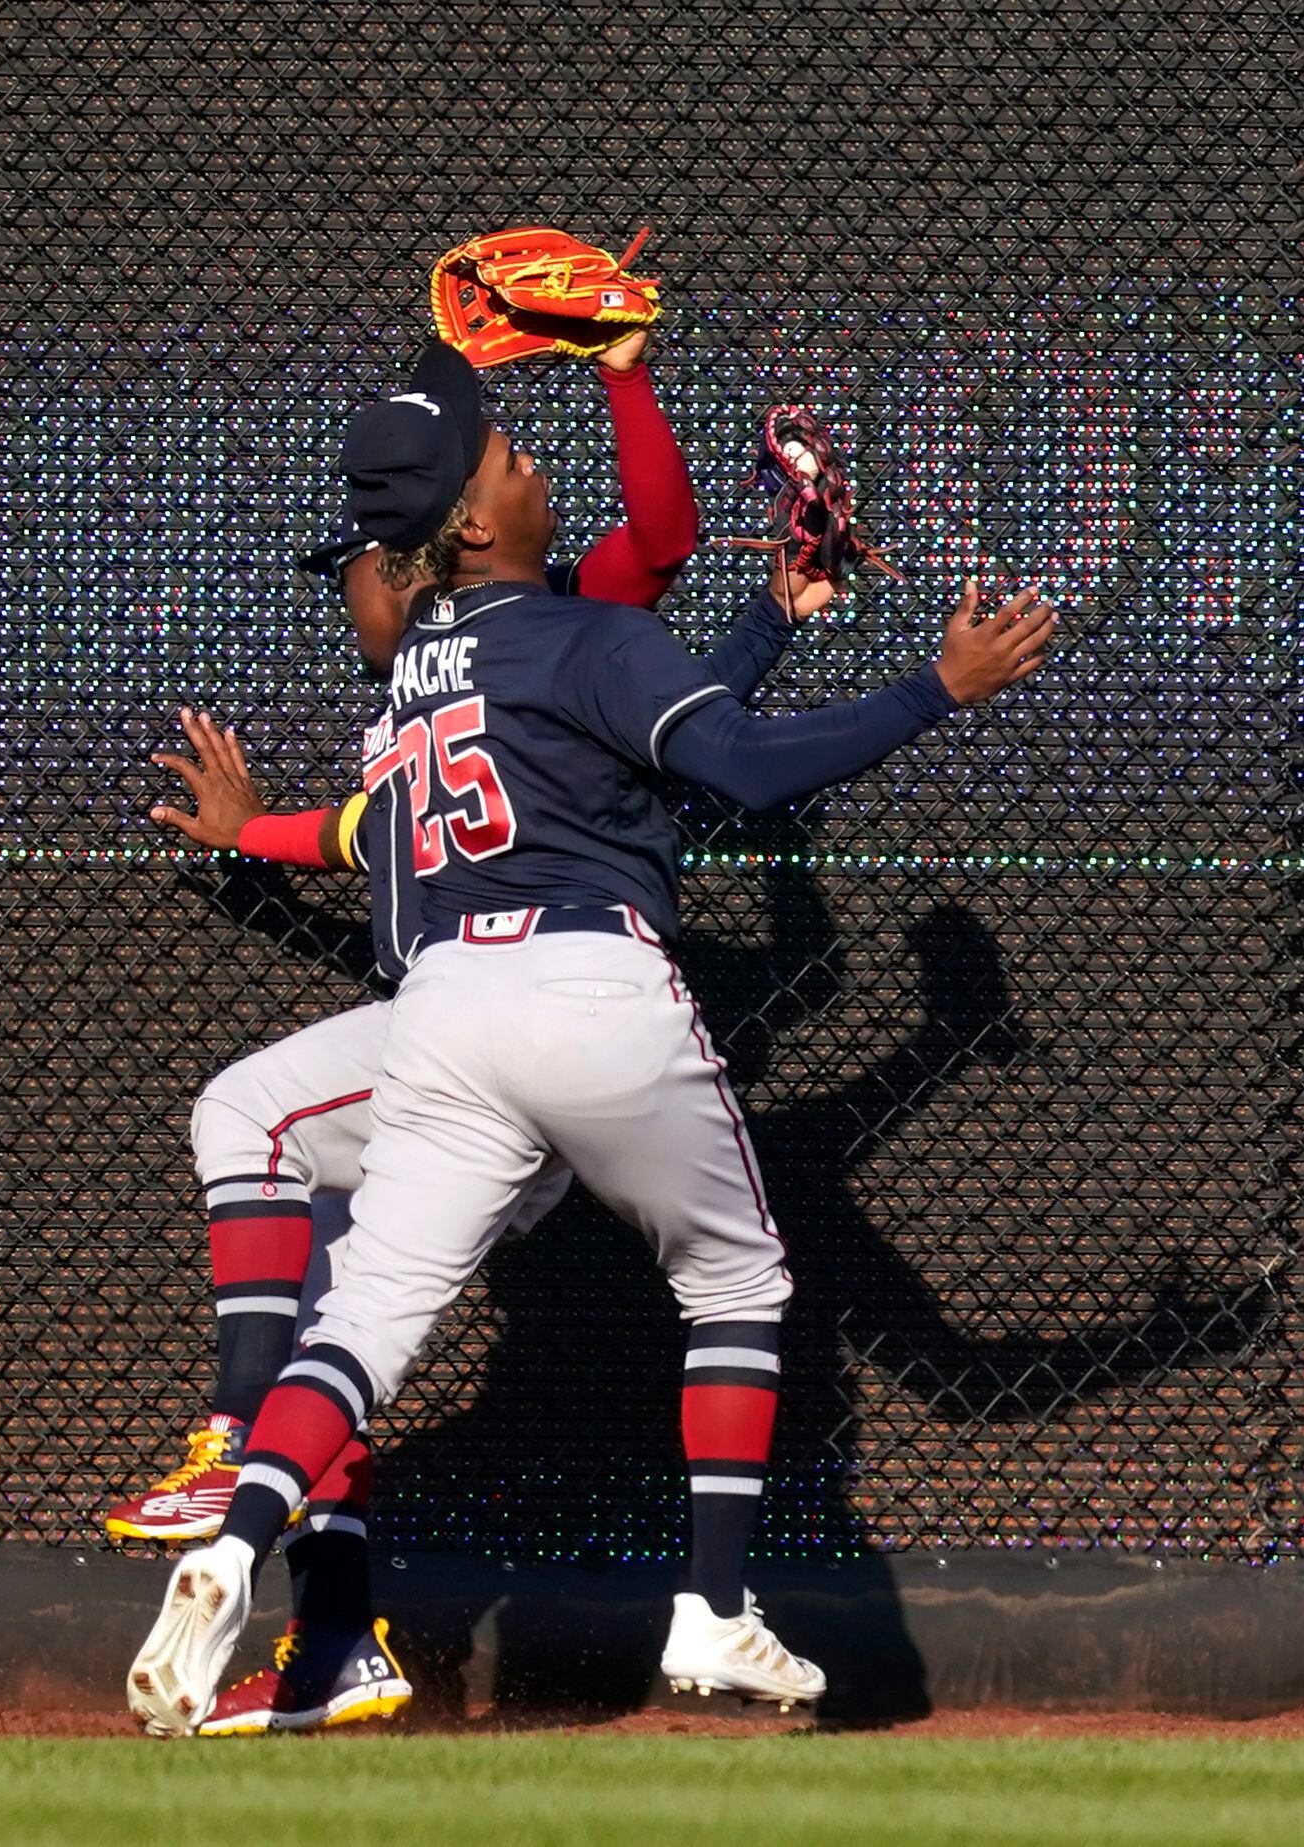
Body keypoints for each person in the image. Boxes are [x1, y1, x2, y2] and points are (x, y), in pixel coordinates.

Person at [126, 341, 1053, 1737]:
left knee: (364, 1321)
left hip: (442, 1017)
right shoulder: (577, 633)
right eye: (509, 454)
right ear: (479, 522)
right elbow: (719, 760)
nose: (530, 461)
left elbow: (606, 738)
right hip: (587, 988)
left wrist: (771, 612)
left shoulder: (424, 681)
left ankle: (233, 1540)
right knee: (736, 1285)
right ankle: (713, 1612)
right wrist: (933, 690)